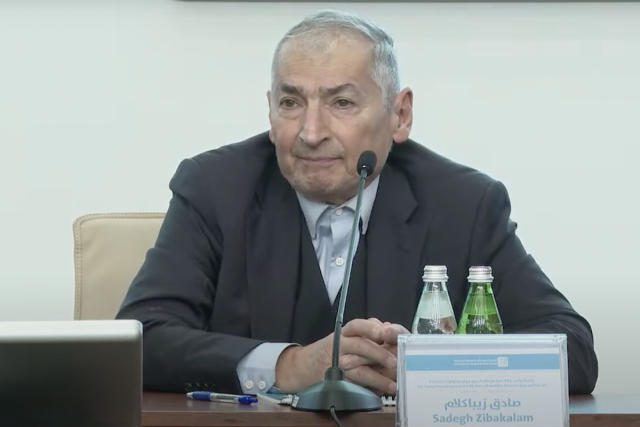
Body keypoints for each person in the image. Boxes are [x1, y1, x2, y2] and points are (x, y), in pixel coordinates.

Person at [116, 9, 598, 397]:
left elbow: (571, 350)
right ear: (270, 109)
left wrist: (432, 369)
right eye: (290, 103)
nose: (310, 132)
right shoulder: (215, 188)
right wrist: (288, 365)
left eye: (341, 103)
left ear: (400, 114)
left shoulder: (464, 203)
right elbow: (139, 339)